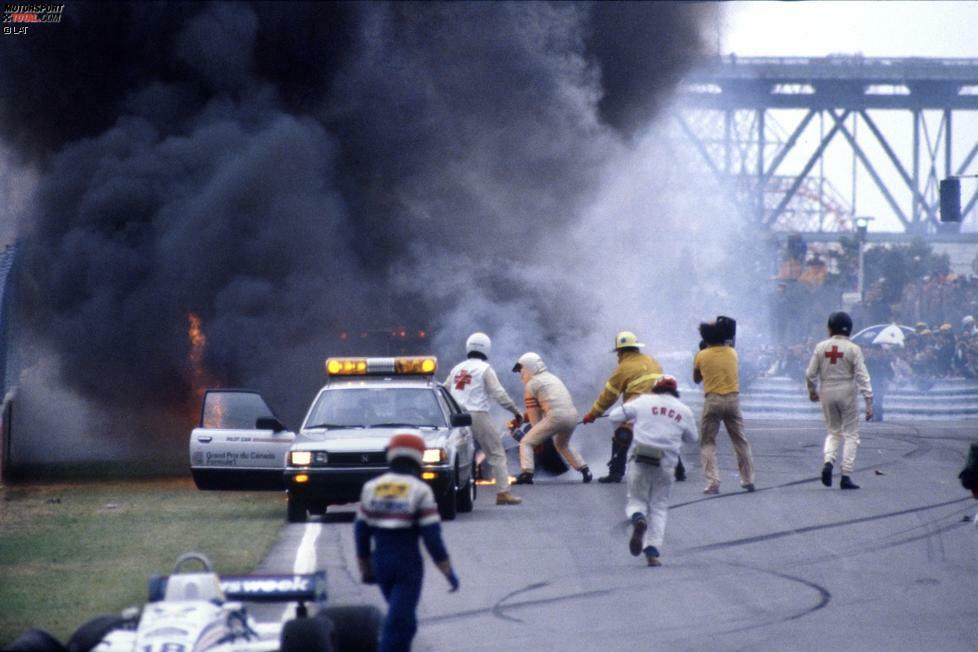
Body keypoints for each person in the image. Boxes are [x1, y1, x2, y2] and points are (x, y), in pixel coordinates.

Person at [355, 433, 460, 652]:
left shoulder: (372, 487)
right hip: (407, 566)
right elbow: (432, 538)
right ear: (418, 457)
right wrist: (447, 571)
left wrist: (365, 566)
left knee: (405, 622)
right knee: (398, 625)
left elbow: (361, 532)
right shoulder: (419, 490)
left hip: (381, 563)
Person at [609, 375, 698, 567]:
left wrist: (632, 420)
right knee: (659, 506)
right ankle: (652, 551)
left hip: (640, 458)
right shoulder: (684, 410)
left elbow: (614, 416)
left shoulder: (643, 401)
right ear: (675, 391)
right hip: (666, 464)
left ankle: (638, 518)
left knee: (636, 500)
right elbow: (692, 438)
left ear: (655, 388)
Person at [582, 331, 686, 483]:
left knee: (621, 435)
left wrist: (592, 414)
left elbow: (608, 396)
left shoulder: (623, 368)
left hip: (637, 406)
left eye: (618, 352)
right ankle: (679, 471)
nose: (617, 356)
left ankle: (616, 473)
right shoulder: (652, 361)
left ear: (621, 351)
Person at [444, 332, 523, 506]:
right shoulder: (485, 369)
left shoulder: (457, 368)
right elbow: (499, 394)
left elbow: (444, 390)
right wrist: (516, 411)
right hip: (478, 415)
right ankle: (503, 493)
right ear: (486, 348)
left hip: (456, 416)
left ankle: (452, 490)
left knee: (457, 453)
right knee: (496, 453)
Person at [805, 311, 873, 490]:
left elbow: (810, 374)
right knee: (851, 434)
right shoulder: (853, 349)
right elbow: (862, 375)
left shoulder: (821, 347)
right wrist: (869, 400)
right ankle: (846, 475)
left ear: (829, 328)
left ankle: (828, 462)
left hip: (827, 390)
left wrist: (812, 391)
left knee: (833, 432)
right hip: (847, 391)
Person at [693, 318, 756, 494]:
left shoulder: (701, 355)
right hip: (733, 399)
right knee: (740, 440)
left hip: (712, 399)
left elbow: (696, 379)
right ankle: (748, 479)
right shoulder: (732, 353)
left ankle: (712, 481)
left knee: (707, 441)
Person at [511, 352, 591, 484]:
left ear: (528, 367)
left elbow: (534, 417)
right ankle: (585, 470)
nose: (520, 373)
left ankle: (527, 473)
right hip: (572, 415)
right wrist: (522, 418)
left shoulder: (531, 384)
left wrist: (537, 441)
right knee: (562, 444)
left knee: (526, 442)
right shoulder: (552, 378)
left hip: (556, 416)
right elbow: (544, 404)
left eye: (521, 369)